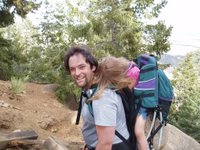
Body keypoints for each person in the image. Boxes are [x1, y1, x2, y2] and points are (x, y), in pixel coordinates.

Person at [63, 45, 132, 150]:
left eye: (81, 67)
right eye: (72, 69)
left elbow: (105, 145)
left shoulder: (102, 98)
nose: (77, 73)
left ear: (93, 67)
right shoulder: (89, 91)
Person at [97, 56, 148, 150]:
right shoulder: (128, 67)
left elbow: (129, 92)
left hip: (143, 102)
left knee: (139, 133)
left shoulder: (132, 73)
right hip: (140, 99)